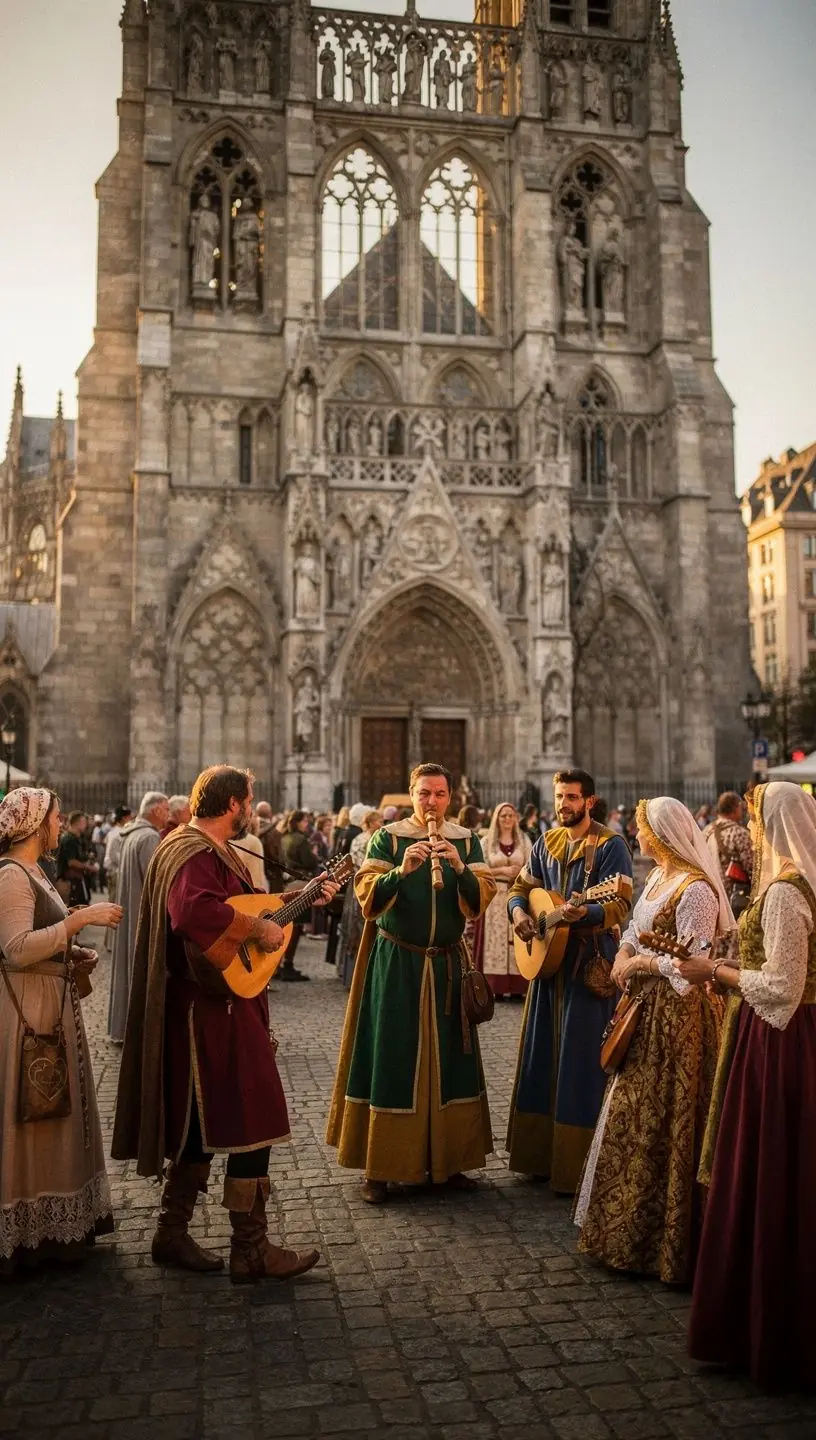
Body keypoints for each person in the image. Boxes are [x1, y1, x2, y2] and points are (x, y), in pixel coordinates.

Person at [112, 765, 338, 1283]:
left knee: (200, 1123)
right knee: (252, 1117)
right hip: (212, 1011)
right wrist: (258, 924)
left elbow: (239, 910)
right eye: (249, 797)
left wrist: (294, 902)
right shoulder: (193, 851)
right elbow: (193, 912)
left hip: (215, 1007)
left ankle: (171, 1233)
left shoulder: (199, 847)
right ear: (234, 803)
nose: (250, 804)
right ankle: (250, 1248)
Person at [683, 781, 816, 1387]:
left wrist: (717, 970)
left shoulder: (789, 893)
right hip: (783, 1037)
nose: (753, 829)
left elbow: (782, 991)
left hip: (780, 1044)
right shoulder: (796, 885)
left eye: (759, 818)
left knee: (772, 1178)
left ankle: (775, 1329)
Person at [574, 797, 733, 1284]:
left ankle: (670, 1241)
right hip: (644, 1014)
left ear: (660, 835)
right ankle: (623, 1230)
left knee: (671, 1118)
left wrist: (641, 965)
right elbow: (637, 930)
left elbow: (690, 972)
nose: (637, 837)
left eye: (642, 830)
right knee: (631, 1117)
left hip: (680, 1022)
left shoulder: (697, 890)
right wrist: (625, 951)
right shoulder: (660, 879)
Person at [327, 763, 497, 1203]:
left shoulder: (465, 839)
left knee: (450, 1061)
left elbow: (482, 897)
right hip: (399, 962)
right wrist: (400, 872)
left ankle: (450, 1161)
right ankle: (381, 1168)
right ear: (411, 794)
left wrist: (458, 867)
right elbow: (365, 894)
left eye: (440, 794)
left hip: (445, 965)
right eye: (424, 794)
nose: (432, 802)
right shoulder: (390, 836)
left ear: (450, 798)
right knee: (391, 1056)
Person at [0, 787, 123, 1274]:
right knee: (31, 1113)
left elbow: (42, 943)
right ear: (33, 825)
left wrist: (71, 953)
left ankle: (54, 1225)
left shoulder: (35, 872)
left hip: (50, 1001)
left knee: (52, 1116)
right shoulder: (11, 875)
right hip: (26, 1010)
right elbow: (15, 948)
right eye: (53, 818)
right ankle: (29, 1230)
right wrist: (79, 922)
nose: (58, 825)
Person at [506, 769, 633, 1194]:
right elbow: (519, 889)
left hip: (588, 964)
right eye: (561, 796)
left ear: (590, 802)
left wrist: (589, 913)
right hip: (547, 966)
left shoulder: (612, 846)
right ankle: (539, 1156)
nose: (565, 804)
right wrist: (521, 915)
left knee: (581, 1064)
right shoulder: (546, 842)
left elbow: (619, 903)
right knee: (542, 1057)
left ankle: (578, 1166)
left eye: (573, 797)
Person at [108, 791, 169, 1042]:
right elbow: (157, 884)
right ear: (155, 810)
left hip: (130, 909)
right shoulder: (150, 838)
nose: (167, 815)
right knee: (138, 969)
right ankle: (138, 1031)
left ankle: (123, 1028)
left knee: (126, 968)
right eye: (165, 810)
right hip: (141, 915)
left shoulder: (131, 835)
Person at [481, 802, 531, 999]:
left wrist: (520, 872)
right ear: (496, 818)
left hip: (518, 894)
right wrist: (501, 870)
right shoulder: (487, 842)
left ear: (516, 818)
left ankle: (518, 985)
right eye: (503, 816)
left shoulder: (524, 841)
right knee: (496, 940)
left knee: (517, 936)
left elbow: (532, 866)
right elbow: (480, 870)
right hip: (495, 896)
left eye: (511, 815)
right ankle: (497, 986)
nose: (507, 819)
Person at [338, 808, 382, 988]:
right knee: (362, 930)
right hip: (364, 888)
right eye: (379, 821)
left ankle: (350, 975)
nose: (382, 824)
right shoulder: (371, 839)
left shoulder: (358, 837)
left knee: (353, 929)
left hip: (354, 887)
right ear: (371, 823)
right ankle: (361, 979)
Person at [277, 810, 320, 982]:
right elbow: (310, 861)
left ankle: (281, 964)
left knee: (287, 925)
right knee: (296, 926)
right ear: (298, 822)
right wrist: (315, 856)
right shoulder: (300, 839)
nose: (307, 824)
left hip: (286, 883)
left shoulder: (283, 837)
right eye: (305, 821)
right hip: (300, 882)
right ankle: (288, 964)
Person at [703, 790, 753, 916]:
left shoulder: (706, 831)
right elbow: (751, 867)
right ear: (736, 808)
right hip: (733, 897)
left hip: (710, 893)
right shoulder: (739, 833)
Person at [56, 811, 97, 905]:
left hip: (77, 880)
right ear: (77, 823)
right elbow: (72, 862)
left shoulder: (76, 838)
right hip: (70, 882)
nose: (86, 825)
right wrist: (89, 868)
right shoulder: (68, 839)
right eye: (84, 822)